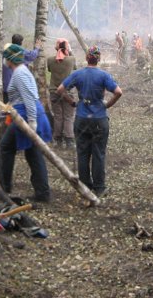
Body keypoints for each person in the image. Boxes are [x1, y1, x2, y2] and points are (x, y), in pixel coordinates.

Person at [57, 46, 122, 197]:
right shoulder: (104, 75)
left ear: (87, 58)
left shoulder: (78, 74)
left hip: (81, 119)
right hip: (99, 119)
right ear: (98, 59)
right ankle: (99, 188)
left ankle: (85, 187)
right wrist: (107, 105)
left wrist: (73, 102)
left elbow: (60, 89)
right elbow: (118, 92)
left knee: (82, 153)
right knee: (98, 154)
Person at [0, 44, 52, 203]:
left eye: (6, 57)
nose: (4, 60)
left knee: (6, 147)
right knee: (32, 153)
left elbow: (29, 99)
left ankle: (4, 188)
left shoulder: (20, 73)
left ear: (10, 59)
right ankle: (42, 192)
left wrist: (32, 123)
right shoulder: (20, 71)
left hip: (27, 117)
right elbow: (19, 98)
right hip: (24, 115)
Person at [47, 38, 77, 148]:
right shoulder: (71, 59)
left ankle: (57, 140)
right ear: (67, 47)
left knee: (58, 116)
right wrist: (70, 50)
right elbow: (75, 67)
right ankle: (69, 140)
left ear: (56, 47)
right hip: (68, 92)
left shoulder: (50, 60)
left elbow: (50, 70)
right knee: (68, 116)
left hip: (54, 92)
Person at [2, 34, 42, 103]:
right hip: (16, 88)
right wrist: (37, 48)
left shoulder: (6, 51)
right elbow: (32, 55)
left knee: (8, 108)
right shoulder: (20, 52)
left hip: (5, 86)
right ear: (21, 42)